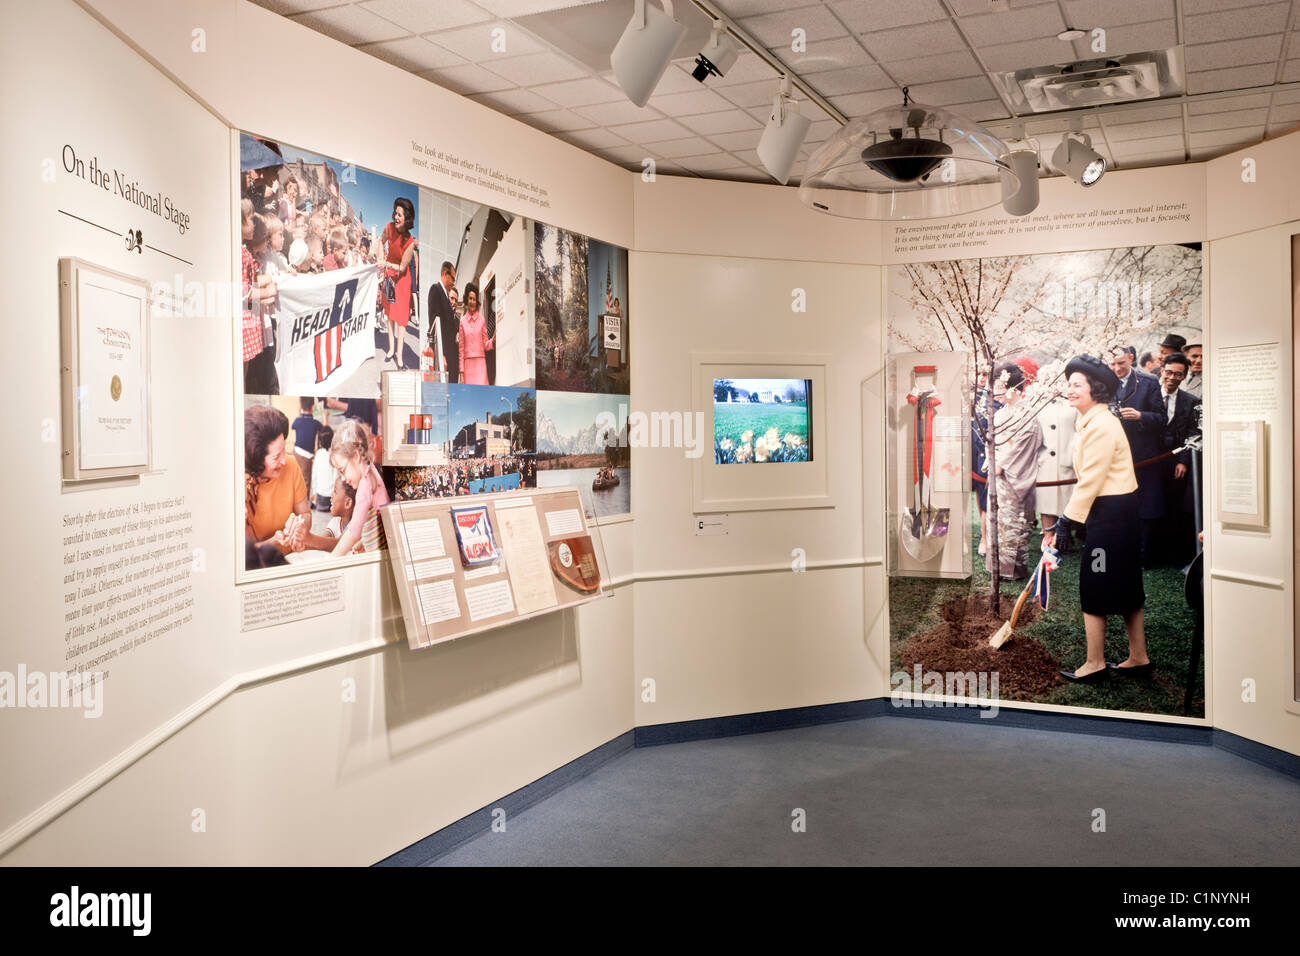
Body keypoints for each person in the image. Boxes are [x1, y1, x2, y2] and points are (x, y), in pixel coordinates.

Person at [1044, 355, 1149, 683]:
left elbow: (1090, 480)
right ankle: (1139, 658)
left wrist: (1065, 520)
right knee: (1127, 584)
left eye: (1077, 385)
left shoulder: (1101, 424)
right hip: (1117, 513)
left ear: (1096, 390)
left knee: (1095, 583)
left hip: (1111, 516)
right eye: (1069, 384)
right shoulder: (1093, 420)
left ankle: (1095, 664)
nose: (1069, 390)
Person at [1109, 344, 1165, 568]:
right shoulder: (1102, 383)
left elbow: (1161, 418)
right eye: (1111, 364)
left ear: (1131, 358)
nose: (1116, 369)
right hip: (1114, 454)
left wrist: (1141, 415)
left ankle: (1143, 557)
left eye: (1121, 363)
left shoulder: (1148, 382)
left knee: (1145, 508)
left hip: (1143, 454)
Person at [986, 363, 1042, 580]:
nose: (995, 392)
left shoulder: (1027, 414)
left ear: (1011, 386)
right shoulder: (1002, 413)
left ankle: (1013, 571)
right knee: (997, 522)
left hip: (1015, 477)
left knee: (1013, 523)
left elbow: (1020, 447)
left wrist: (1000, 464)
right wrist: (992, 462)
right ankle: (997, 567)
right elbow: (991, 443)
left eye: (998, 387)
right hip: (998, 475)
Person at [244, 405, 310, 560]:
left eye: (284, 450)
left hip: (290, 559)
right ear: (256, 462)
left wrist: (300, 526)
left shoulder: (291, 464)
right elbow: (243, 555)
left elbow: (305, 513)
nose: (284, 460)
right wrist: (274, 541)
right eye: (276, 457)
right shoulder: (241, 488)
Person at [1156, 352, 1201, 567]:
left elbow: (1193, 433)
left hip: (1175, 462)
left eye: (1179, 374)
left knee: (1173, 506)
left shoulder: (1191, 401)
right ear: (1162, 371)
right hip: (1148, 461)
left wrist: (1183, 460)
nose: (1173, 377)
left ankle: (1171, 554)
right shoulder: (1149, 394)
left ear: (1184, 376)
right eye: (1169, 372)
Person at [327, 418, 390, 556]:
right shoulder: (372, 473)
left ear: (356, 456)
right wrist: (365, 541)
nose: (342, 478)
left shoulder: (364, 486)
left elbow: (353, 531)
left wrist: (332, 558)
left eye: (342, 470)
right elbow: (378, 526)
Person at [1035, 387, 1079, 552]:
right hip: (1045, 460)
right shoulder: (1038, 402)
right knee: (1047, 500)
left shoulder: (1073, 403)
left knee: (1067, 499)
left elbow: (1079, 430)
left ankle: (1064, 535)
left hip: (1068, 460)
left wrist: (1072, 455)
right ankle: (1048, 537)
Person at [380, 197, 418, 371]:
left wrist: (386, 264)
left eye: (400, 214)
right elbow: (380, 242)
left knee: (401, 319)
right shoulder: (388, 228)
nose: (396, 217)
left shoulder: (410, 242)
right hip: (389, 275)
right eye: (395, 213)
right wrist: (381, 257)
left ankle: (400, 356)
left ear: (407, 218)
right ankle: (390, 349)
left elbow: (403, 268)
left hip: (401, 280)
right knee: (389, 314)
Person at [458, 282, 494, 385]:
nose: (472, 302)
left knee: (482, 396)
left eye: (474, 299)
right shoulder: (462, 321)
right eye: (470, 298)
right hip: (467, 366)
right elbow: (461, 350)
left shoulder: (482, 320)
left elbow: (486, 345)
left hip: (480, 365)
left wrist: (493, 340)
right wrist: (461, 374)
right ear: (466, 300)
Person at [429, 260, 458, 382]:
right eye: (452, 278)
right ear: (445, 274)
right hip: (443, 355)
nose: (454, 282)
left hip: (450, 356)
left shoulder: (446, 296)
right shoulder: (436, 290)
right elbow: (435, 324)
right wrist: (441, 355)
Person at [291, 398, 321, 495]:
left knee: (295, 477)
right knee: (305, 480)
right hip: (307, 455)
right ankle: (304, 502)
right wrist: (325, 416)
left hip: (296, 452)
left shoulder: (297, 421)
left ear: (300, 406)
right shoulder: (315, 423)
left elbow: (293, 426)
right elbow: (325, 429)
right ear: (313, 407)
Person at [311, 425, 336, 512]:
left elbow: (314, 476)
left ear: (320, 441)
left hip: (320, 499)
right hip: (332, 499)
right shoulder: (334, 454)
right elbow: (336, 477)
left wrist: (314, 493)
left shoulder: (318, 454)